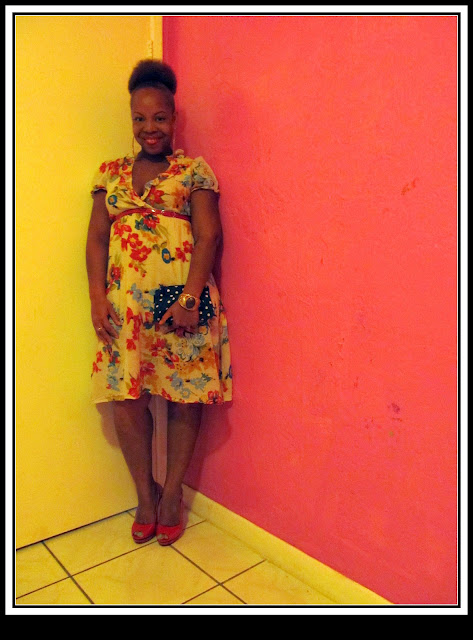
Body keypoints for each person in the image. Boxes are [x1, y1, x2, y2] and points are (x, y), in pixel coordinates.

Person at [86, 59, 232, 546]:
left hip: (182, 303)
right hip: (124, 309)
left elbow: (209, 236)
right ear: (131, 119)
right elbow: (96, 240)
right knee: (127, 399)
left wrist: (190, 297)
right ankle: (144, 496)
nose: (150, 128)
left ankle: (171, 496)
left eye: (160, 118)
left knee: (184, 396)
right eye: (140, 118)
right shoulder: (109, 174)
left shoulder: (193, 171)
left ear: (174, 118)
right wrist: (97, 298)